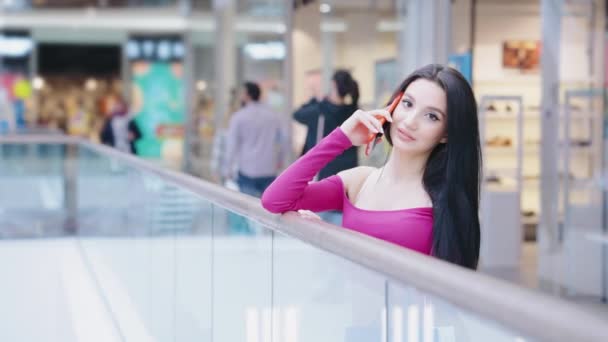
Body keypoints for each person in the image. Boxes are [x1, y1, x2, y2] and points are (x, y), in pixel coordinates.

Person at [262, 64, 481, 269]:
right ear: (393, 105)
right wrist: (343, 136)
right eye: (407, 104)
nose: (410, 121)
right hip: (353, 309)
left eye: (431, 116)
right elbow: (274, 199)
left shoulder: (443, 200)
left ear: (446, 134)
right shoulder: (359, 181)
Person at [223, 81, 288, 197]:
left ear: (247, 95)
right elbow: (284, 139)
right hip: (269, 170)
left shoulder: (238, 117)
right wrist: (280, 160)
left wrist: (227, 170)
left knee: (248, 210)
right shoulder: (273, 115)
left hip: (247, 172)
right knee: (267, 211)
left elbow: (231, 145)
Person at [293, 70, 360, 180]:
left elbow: (297, 114)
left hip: (324, 172)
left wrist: (315, 99)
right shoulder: (354, 112)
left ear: (333, 84)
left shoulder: (319, 111)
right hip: (349, 172)